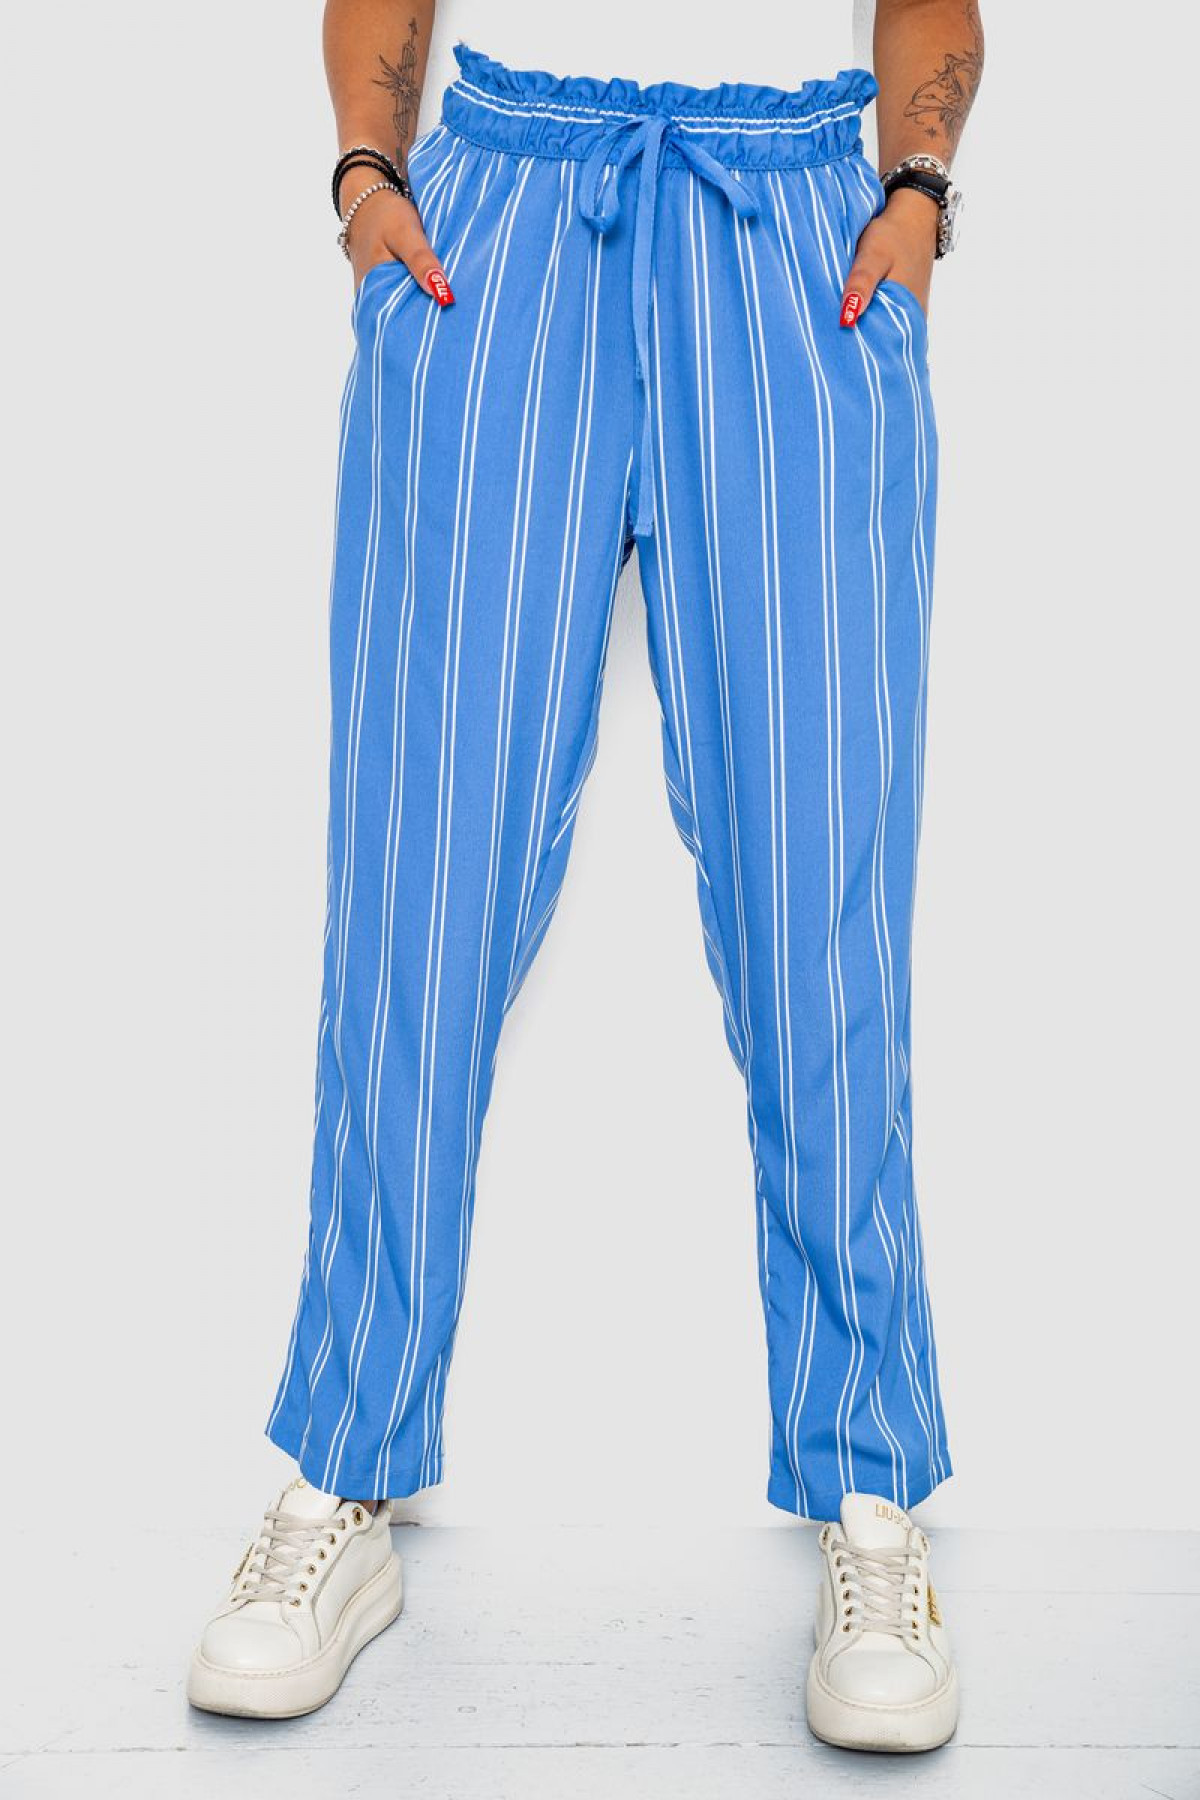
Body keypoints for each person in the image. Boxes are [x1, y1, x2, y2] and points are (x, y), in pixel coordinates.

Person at [188, 0, 982, 1753]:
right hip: (500, 234)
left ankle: (868, 1492)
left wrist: (917, 195)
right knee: (418, 881)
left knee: (821, 903)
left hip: (800, 235)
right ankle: (344, 1471)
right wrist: (366, 178)